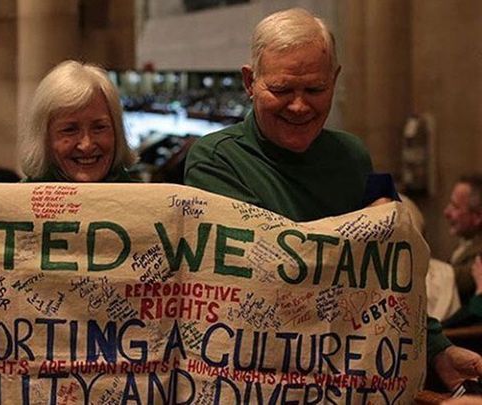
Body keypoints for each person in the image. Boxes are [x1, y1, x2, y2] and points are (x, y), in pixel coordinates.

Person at [184, 7, 482, 391]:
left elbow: (389, 271)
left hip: (344, 374)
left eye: (315, 89)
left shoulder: (352, 156)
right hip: (254, 375)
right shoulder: (215, 159)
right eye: (282, 89)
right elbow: (272, 273)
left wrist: (437, 348)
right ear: (249, 81)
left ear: (335, 79)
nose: (299, 106)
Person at [19, 60, 136, 183]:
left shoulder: (149, 200)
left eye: (99, 127)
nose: (87, 145)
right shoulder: (13, 201)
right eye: (70, 130)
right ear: (44, 138)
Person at [444, 175, 482, 305]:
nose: (446, 212)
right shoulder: (466, 243)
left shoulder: (479, 254)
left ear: (477, 216)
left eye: (455, 207)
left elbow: (449, 281)